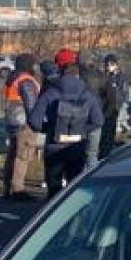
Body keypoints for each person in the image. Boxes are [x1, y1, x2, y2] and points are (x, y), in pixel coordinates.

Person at [29, 59, 104, 198]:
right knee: (74, 187)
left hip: (54, 146)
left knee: (53, 189)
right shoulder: (87, 94)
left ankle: (53, 216)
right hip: (77, 146)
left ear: (61, 74)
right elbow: (98, 121)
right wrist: (82, 130)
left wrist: (51, 128)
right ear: (78, 75)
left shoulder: (51, 93)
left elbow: (34, 121)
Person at [2, 55, 43, 197]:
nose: (35, 68)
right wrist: (37, 123)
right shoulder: (26, 80)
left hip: (12, 120)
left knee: (12, 154)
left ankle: (7, 187)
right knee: (23, 156)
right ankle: (18, 189)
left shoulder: (12, 78)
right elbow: (31, 106)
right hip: (24, 122)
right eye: (33, 64)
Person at [94, 53, 125, 163]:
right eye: (107, 64)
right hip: (104, 108)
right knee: (104, 133)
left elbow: (120, 92)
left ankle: (107, 153)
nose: (109, 66)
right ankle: (103, 154)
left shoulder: (119, 77)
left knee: (110, 132)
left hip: (114, 108)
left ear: (116, 65)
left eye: (111, 64)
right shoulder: (103, 77)